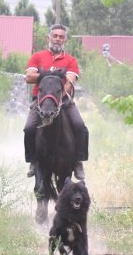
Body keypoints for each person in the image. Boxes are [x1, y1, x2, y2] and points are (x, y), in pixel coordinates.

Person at [23, 24, 89, 180]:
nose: (58, 39)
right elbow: (29, 77)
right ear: (49, 38)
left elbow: (70, 80)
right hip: (40, 102)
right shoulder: (37, 57)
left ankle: (78, 161)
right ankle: (32, 160)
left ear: (65, 40)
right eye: (55, 36)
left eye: (61, 37)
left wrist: (58, 96)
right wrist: (47, 79)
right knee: (29, 128)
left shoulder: (70, 60)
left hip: (63, 102)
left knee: (80, 126)